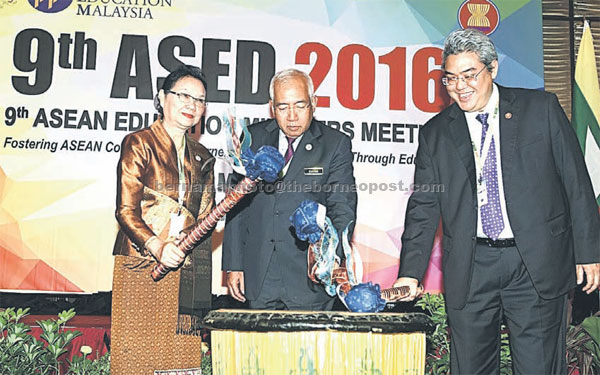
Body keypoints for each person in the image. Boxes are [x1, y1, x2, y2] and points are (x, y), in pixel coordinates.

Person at [392, 28, 600, 374]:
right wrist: (410, 273)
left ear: (493, 69)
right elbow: (424, 208)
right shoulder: (435, 133)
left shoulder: (540, 109)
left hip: (534, 263)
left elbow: (576, 183)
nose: (460, 86)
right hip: (471, 267)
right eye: (451, 78)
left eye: (469, 74)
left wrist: (589, 251)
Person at [222, 68, 357, 310]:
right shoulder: (252, 138)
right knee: (258, 348)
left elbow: (343, 209)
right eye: (283, 107)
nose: (292, 116)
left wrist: (329, 262)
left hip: (309, 277)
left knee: (309, 348)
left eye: (300, 105)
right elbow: (236, 206)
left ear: (313, 103)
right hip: (259, 275)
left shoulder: (335, 144)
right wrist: (234, 265)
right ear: (272, 107)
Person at [111, 64, 215, 374]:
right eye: (183, 95)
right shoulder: (139, 142)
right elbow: (125, 211)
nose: (191, 105)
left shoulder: (203, 155)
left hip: (186, 267)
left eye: (199, 100)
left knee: (178, 358)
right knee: (137, 360)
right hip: (140, 263)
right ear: (161, 97)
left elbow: (205, 217)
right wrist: (157, 246)